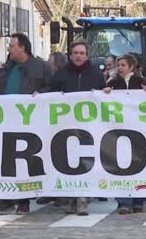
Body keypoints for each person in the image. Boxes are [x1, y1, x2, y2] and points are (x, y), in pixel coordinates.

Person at [0, 33, 52, 215]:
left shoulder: (40, 67)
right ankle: (7, 199)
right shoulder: (6, 68)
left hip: (30, 122)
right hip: (6, 120)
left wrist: (41, 93)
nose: (9, 49)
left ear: (22, 48)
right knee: (7, 160)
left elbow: (52, 87)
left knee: (25, 160)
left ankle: (23, 200)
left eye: (12, 46)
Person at [49, 41, 106, 216]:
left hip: (88, 126)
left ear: (87, 55)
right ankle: (72, 198)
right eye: (75, 53)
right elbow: (51, 93)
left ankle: (82, 200)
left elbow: (103, 94)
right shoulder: (61, 74)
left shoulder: (96, 74)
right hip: (66, 126)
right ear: (71, 55)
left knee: (85, 163)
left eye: (82, 53)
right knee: (69, 163)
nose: (79, 56)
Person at [101, 54, 146, 214]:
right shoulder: (113, 83)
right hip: (119, 130)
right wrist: (106, 92)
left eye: (122, 65)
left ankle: (138, 200)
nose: (119, 67)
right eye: (118, 65)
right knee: (121, 164)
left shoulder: (141, 82)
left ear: (131, 67)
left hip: (139, 129)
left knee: (138, 163)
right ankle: (123, 201)